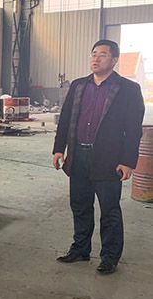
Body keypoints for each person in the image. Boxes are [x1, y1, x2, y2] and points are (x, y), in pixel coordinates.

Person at [53, 39, 145, 275]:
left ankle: (109, 257)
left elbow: (133, 129)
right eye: (93, 54)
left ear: (114, 60)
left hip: (108, 160)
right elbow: (65, 119)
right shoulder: (78, 86)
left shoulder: (128, 90)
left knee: (109, 210)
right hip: (78, 156)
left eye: (102, 54)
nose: (96, 58)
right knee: (80, 206)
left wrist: (128, 161)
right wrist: (59, 149)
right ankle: (80, 249)